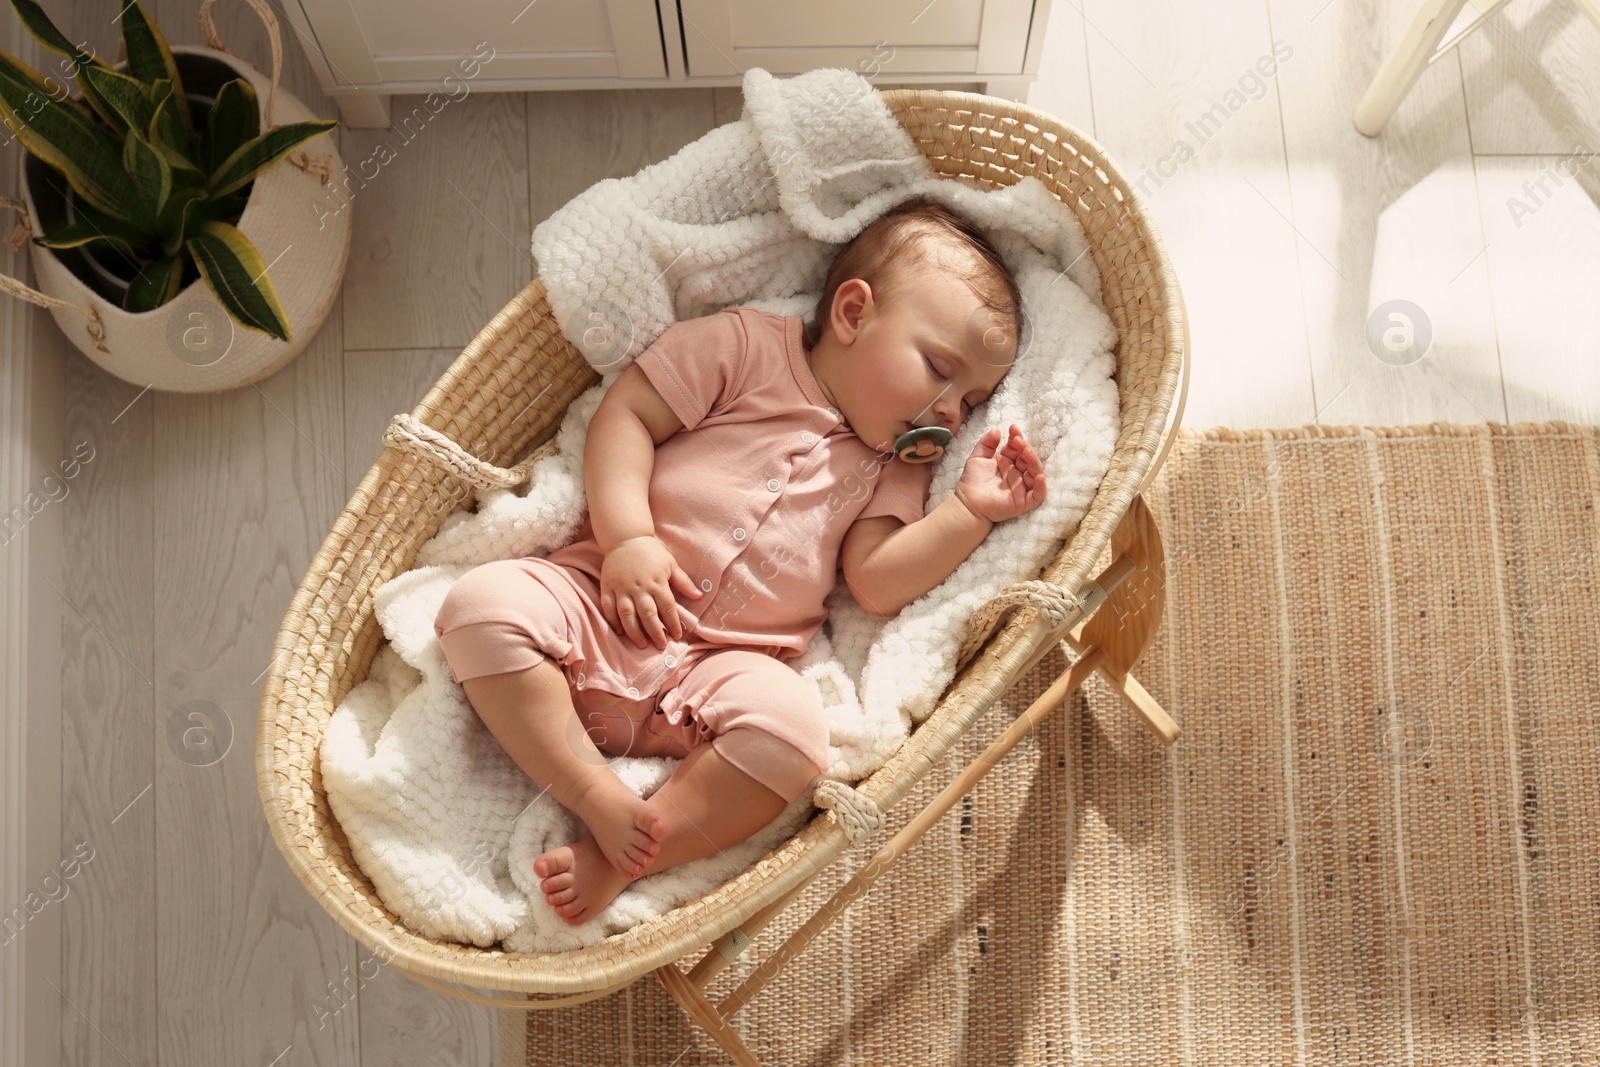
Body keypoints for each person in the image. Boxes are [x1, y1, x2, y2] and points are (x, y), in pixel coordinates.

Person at [432, 195, 1046, 925]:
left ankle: (631, 848)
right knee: (479, 606)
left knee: (794, 734)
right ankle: (592, 791)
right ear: (853, 314)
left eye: (971, 400)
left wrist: (970, 509)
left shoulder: (896, 465)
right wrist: (631, 538)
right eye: (939, 369)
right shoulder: (746, 348)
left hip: (715, 675)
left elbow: (878, 582)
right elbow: (627, 414)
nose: (950, 411)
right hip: (600, 602)